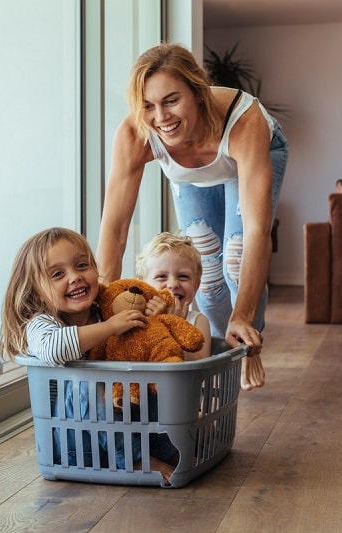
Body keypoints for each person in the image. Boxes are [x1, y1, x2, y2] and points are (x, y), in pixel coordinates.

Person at [96, 42, 289, 391]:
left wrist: (244, 315)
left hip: (250, 154)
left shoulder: (245, 121)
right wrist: (100, 306)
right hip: (194, 176)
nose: (161, 117)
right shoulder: (135, 133)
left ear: (198, 93)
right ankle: (217, 352)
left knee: (234, 256)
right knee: (208, 276)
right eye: (148, 106)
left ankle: (246, 340)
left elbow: (258, 230)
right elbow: (115, 227)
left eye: (171, 100)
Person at [0, 226, 177, 483]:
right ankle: (136, 459)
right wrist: (111, 327)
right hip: (75, 443)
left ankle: (168, 450)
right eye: (57, 274)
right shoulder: (42, 323)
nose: (75, 277)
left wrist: (154, 317)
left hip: (120, 433)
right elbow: (54, 348)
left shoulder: (104, 311)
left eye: (82, 265)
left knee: (145, 380)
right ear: (36, 291)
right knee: (88, 381)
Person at [135, 231, 212, 360]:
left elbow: (199, 364)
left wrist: (174, 325)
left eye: (183, 276)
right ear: (143, 286)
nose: (173, 284)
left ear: (196, 286)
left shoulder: (198, 321)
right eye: (161, 277)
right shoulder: (137, 316)